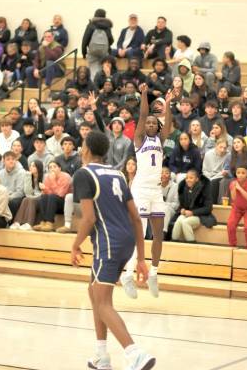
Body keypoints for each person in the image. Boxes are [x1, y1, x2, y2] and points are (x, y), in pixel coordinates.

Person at [71, 130, 154, 370]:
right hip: (126, 240)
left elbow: (88, 218)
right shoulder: (117, 174)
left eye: (82, 145)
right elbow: (136, 219)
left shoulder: (83, 174)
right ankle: (101, 355)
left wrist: (75, 244)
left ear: (86, 149)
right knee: (94, 291)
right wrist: (140, 258)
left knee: (103, 303)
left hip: (108, 242)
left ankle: (134, 353)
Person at [121, 84, 174, 299]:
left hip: (155, 191)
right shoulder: (139, 140)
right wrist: (144, 94)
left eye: (154, 123)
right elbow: (143, 114)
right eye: (148, 123)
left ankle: (154, 272)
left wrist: (168, 105)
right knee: (140, 236)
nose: (151, 124)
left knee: (158, 234)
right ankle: (127, 274)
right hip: (141, 190)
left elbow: (168, 124)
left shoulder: (161, 140)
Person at [171, 169, 216, 242]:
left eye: (191, 178)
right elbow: (182, 206)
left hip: (201, 216)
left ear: (197, 179)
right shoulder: (184, 188)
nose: (188, 180)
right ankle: (173, 243)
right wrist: (182, 210)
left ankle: (192, 244)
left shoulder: (204, 189)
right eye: (187, 178)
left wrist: (193, 213)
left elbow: (208, 208)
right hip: (188, 214)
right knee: (178, 221)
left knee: (185, 222)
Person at [33, 160, 72, 232]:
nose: (52, 169)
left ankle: (49, 223)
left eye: (54, 167)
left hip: (65, 203)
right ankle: (43, 222)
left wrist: (52, 182)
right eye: (50, 167)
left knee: (52, 196)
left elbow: (60, 194)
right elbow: (47, 193)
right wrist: (44, 190)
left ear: (60, 168)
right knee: (43, 197)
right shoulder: (48, 177)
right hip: (52, 202)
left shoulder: (65, 177)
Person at [218, 136, 247, 204]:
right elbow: (227, 169)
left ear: (244, 144)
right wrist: (226, 173)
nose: (236, 144)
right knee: (223, 181)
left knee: (234, 182)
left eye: (238, 142)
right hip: (234, 177)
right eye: (234, 143)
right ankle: (223, 203)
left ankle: (235, 204)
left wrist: (242, 176)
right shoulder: (229, 155)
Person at [226, 165, 247, 249]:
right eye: (238, 173)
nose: (240, 175)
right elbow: (234, 198)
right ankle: (232, 246)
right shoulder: (233, 183)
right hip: (237, 208)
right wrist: (234, 188)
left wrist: (240, 188)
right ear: (236, 174)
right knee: (230, 224)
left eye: (243, 173)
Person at [10, 160, 43, 230]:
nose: (31, 167)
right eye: (30, 166)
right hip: (32, 198)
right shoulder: (28, 176)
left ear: (39, 167)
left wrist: (32, 197)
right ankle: (17, 222)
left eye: (33, 166)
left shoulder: (45, 176)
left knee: (30, 199)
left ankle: (29, 223)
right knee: (25, 199)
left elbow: (42, 194)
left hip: (41, 199)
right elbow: (27, 193)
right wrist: (28, 177)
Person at [82, 9, 114, 80]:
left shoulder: (91, 25)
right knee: (104, 72)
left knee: (93, 72)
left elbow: (85, 40)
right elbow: (111, 40)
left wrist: (84, 53)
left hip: (92, 53)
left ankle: (94, 88)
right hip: (104, 53)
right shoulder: (107, 26)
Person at [0, 151, 25, 218]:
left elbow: (20, 192)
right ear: (4, 161)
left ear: (16, 160)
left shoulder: (21, 172)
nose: (11, 161)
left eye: (13, 159)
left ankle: (10, 222)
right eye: (8, 159)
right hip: (3, 196)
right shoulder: (0, 173)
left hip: (16, 197)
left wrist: (7, 198)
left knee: (13, 203)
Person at [203, 138, 229, 204]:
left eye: (225, 148)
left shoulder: (228, 155)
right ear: (216, 146)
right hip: (209, 176)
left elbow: (225, 171)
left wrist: (213, 178)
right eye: (220, 147)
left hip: (220, 176)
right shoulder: (208, 154)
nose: (222, 150)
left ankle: (212, 204)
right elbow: (204, 170)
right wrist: (209, 177)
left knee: (214, 182)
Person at [160, 166, 179, 240]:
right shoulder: (155, 186)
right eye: (162, 173)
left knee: (166, 209)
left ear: (170, 175)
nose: (164, 175)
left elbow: (176, 204)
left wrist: (165, 204)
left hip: (170, 210)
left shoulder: (175, 186)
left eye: (166, 173)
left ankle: (163, 233)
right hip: (157, 208)